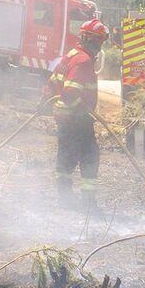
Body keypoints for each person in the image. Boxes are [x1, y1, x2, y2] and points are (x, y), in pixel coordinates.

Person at [44, 18, 109, 211]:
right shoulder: (84, 60)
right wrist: (82, 108)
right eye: (100, 41)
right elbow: (72, 91)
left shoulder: (71, 55)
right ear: (94, 41)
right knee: (90, 156)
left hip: (64, 118)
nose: (99, 46)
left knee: (66, 157)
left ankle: (64, 199)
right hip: (76, 119)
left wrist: (46, 103)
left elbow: (51, 82)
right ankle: (88, 202)